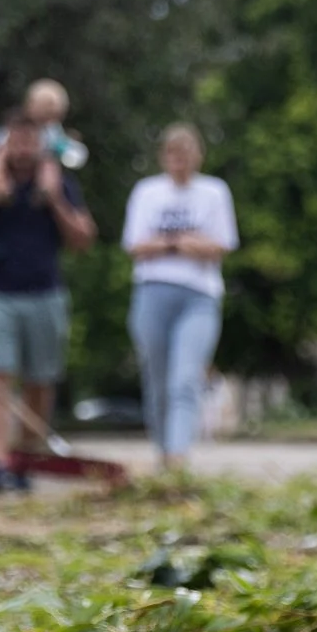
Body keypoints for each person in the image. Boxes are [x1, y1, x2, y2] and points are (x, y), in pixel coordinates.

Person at [0, 109, 95, 493]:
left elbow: (83, 239)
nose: (24, 148)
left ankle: (26, 459)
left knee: (40, 382)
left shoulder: (60, 184)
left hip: (45, 294)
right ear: (5, 143)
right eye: (17, 140)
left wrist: (55, 199)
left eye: (30, 140)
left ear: (41, 145)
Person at [122, 124, 237, 474]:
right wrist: (182, 242)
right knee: (156, 380)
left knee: (184, 377)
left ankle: (177, 457)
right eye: (173, 152)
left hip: (199, 296)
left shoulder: (214, 192)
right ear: (163, 157)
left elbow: (220, 245)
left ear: (198, 155)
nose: (180, 160)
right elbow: (136, 245)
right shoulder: (147, 192)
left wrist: (164, 244)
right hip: (152, 293)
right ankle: (163, 451)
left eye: (186, 152)